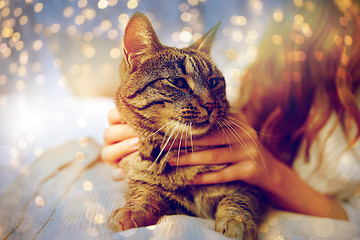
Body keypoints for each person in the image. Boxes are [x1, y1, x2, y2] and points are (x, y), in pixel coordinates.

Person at [102, 0, 360, 228]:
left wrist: (270, 171)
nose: (208, 101)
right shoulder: (264, 76)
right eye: (179, 84)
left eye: (214, 84)